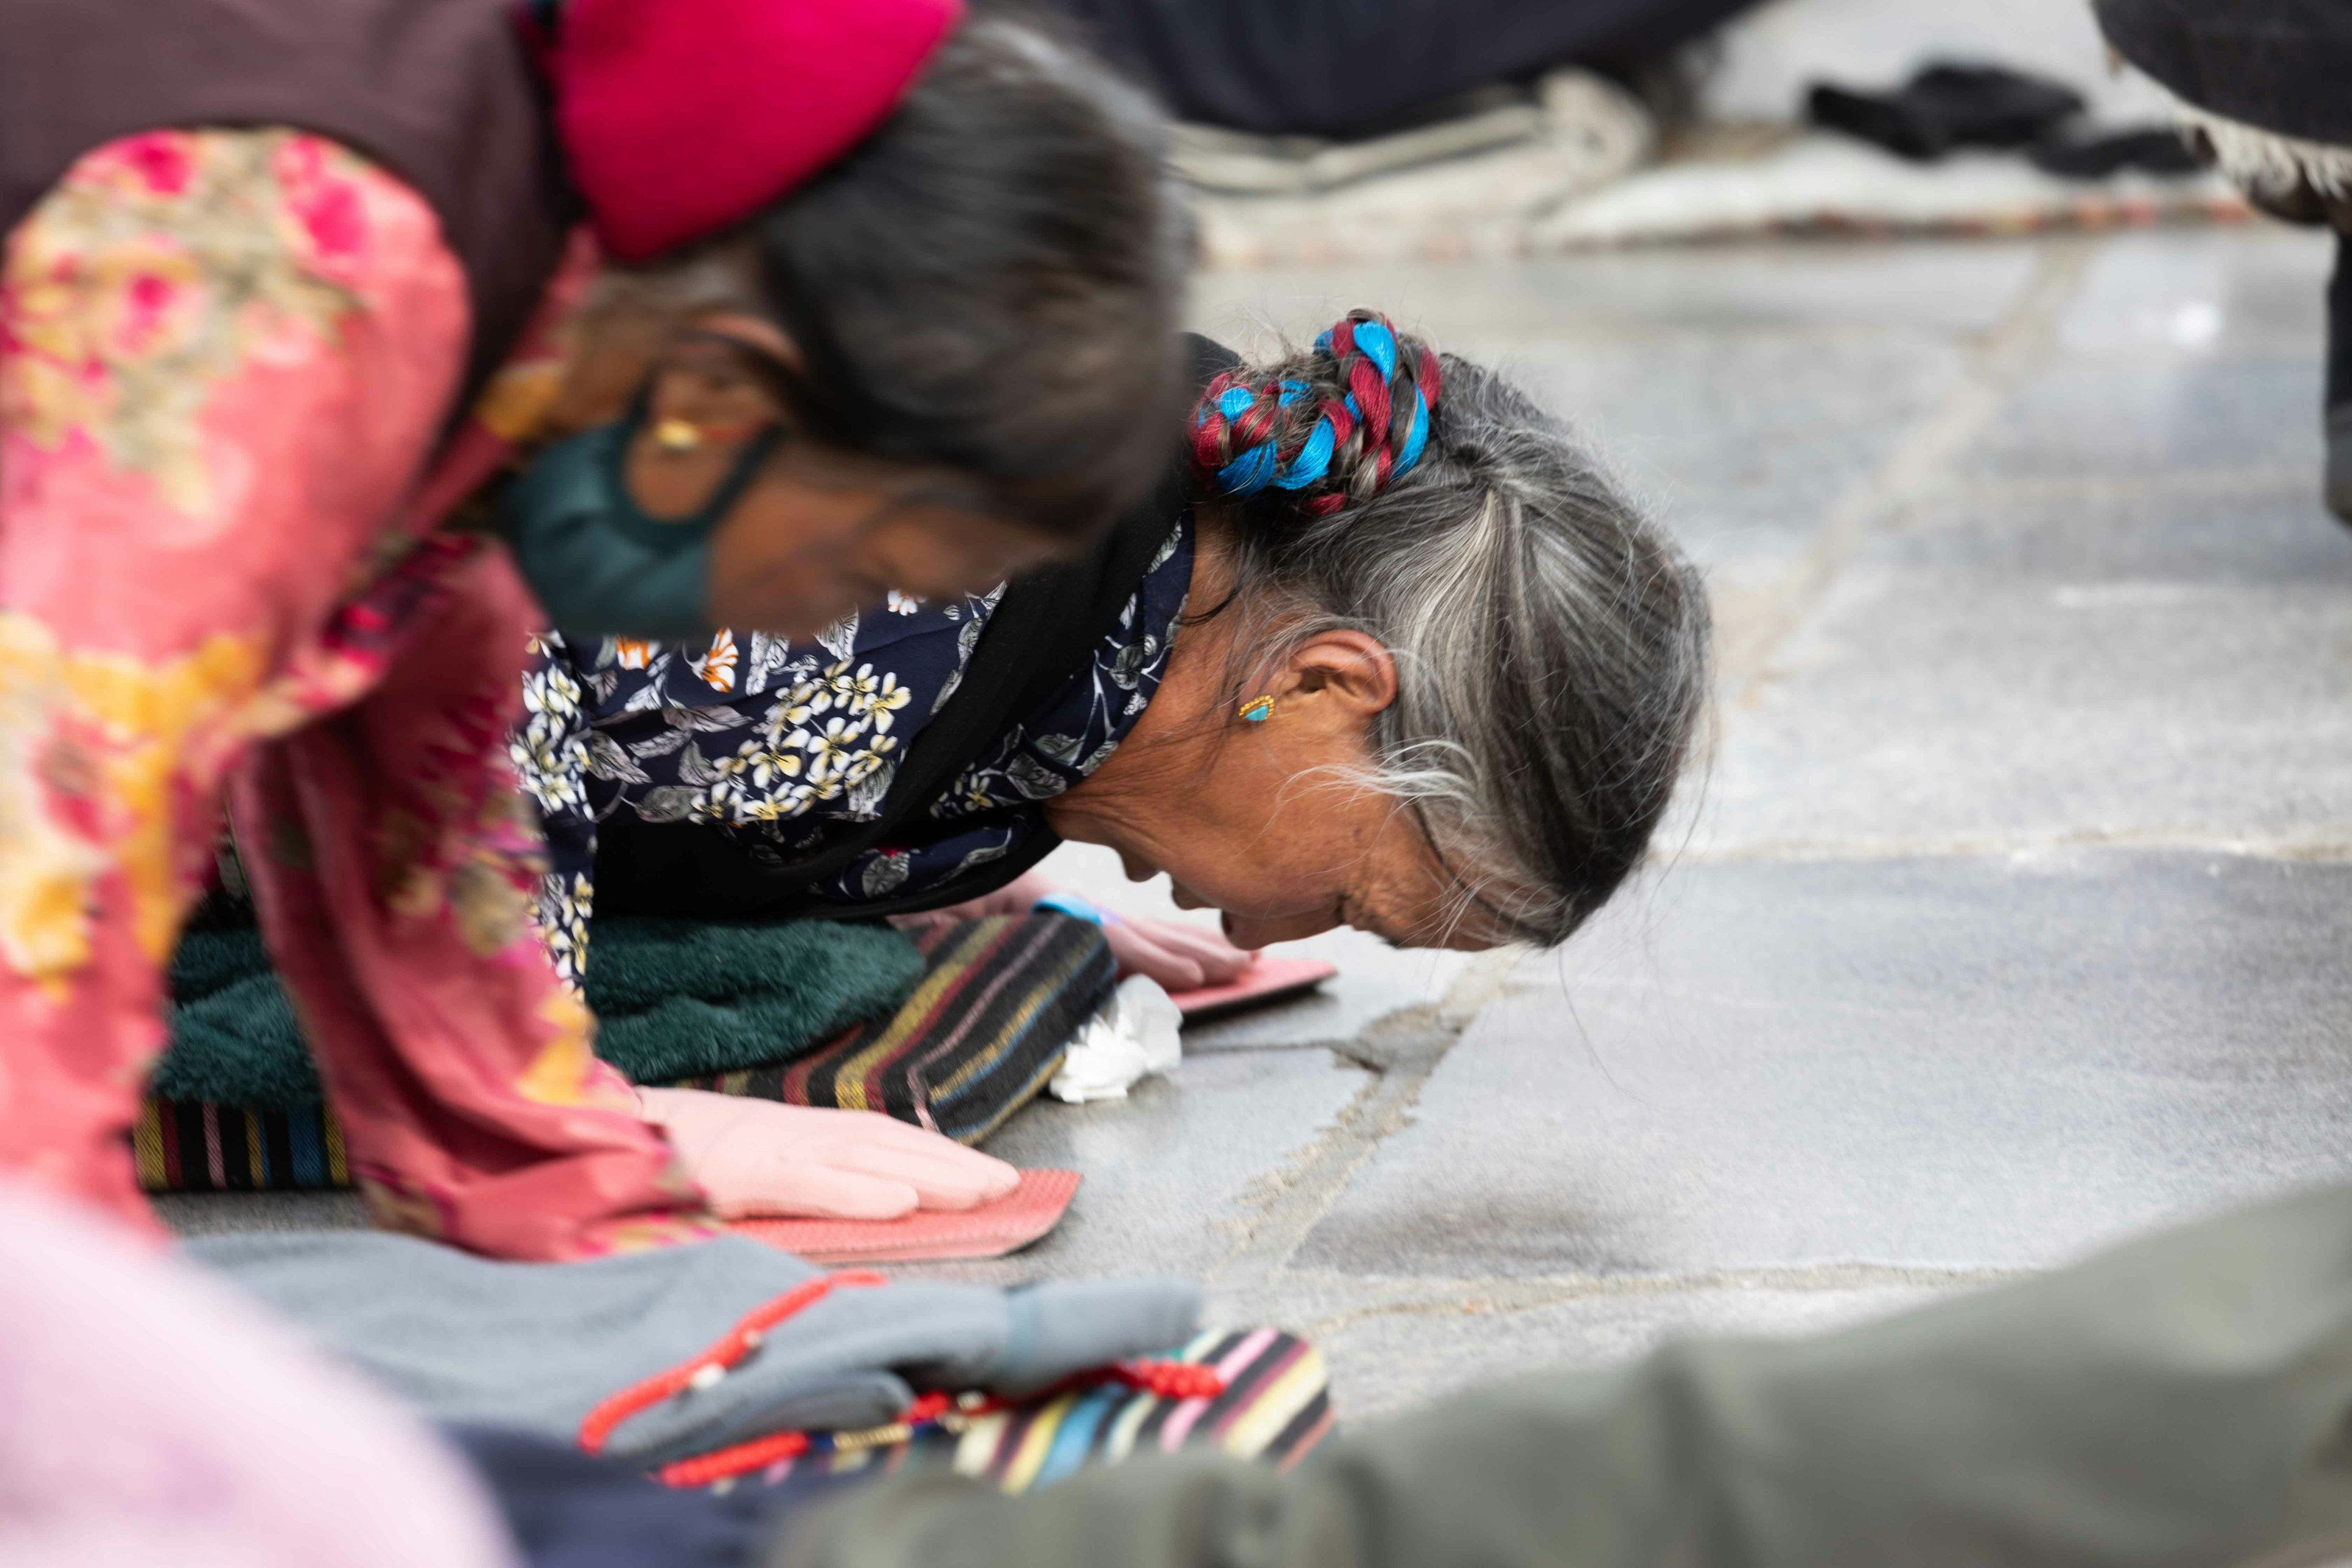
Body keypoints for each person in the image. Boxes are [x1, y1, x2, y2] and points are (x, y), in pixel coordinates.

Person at [0, 0, 1188, 1256]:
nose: (812, 624)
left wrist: (579, 1172)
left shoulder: (518, 296)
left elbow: (427, 821)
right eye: (859, 562)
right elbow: (43, 884)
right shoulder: (307, 272)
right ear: (722, 395)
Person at [518, 313, 1713, 978]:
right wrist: (557, 1101)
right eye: (1345, 901)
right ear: (1322, 683)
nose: (1255, 934)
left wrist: (906, 860)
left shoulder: (1088, 632)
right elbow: (459, 614)